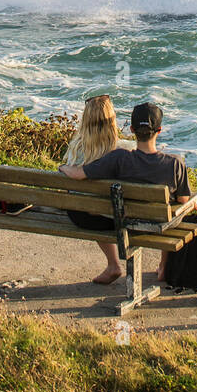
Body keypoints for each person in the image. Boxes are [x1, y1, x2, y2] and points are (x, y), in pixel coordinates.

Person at [61, 100, 197, 305]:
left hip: (124, 221)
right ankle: (167, 267)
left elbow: (79, 173)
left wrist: (62, 168)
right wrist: (196, 202)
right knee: (187, 211)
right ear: (160, 130)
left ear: (132, 129)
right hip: (159, 226)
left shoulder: (118, 158)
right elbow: (183, 202)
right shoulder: (175, 163)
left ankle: (138, 265)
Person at [61, 92, 127, 285]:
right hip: (118, 220)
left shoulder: (75, 148)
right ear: (112, 120)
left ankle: (114, 264)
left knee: (92, 205)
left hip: (81, 217)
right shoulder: (123, 152)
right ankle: (163, 268)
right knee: (108, 207)